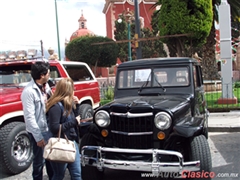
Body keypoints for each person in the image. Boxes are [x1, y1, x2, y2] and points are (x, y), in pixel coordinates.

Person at [21, 61, 54, 180]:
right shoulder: (29, 92)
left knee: (51, 158)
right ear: (42, 75)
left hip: (48, 127)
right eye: (48, 74)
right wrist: (38, 137)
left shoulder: (46, 86)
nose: (49, 76)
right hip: (38, 131)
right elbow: (29, 117)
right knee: (39, 161)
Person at [46, 78, 81, 180]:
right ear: (67, 91)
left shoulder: (69, 103)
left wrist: (77, 105)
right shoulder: (55, 106)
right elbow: (54, 128)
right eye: (72, 89)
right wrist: (73, 122)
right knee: (58, 175)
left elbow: (76, 120)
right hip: (59, 144)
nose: (74, 91)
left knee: (77, 174)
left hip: (72, 142)